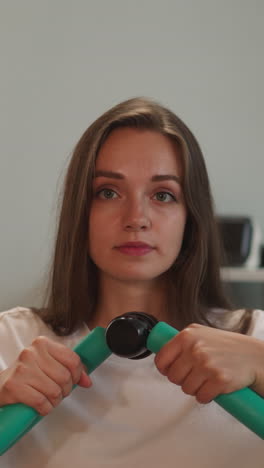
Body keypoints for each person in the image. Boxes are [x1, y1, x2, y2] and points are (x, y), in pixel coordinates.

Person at [0, 97, 264, 468]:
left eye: (163, 195)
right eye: (108, 192)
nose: (136, 217)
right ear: (81, 210)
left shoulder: (255, 337)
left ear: (191, 216)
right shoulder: (12, 341)